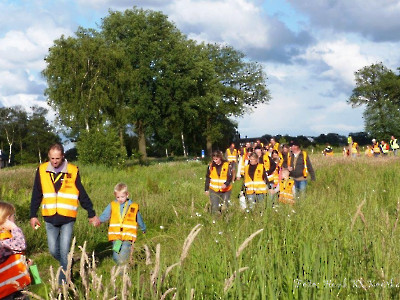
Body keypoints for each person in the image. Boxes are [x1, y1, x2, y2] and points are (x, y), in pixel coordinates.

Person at [30, 143, 100, 284]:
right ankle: (68, 263)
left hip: (68, 219)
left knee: (64, 250)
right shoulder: (42, 170)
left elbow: (82, 194)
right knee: (53, 251)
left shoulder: (73, 171)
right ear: (48, 157)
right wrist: (33, 215)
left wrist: (91, 213)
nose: (55, 161)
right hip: (49, 218)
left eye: (57, 158)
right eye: (52, 158)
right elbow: (36, 194)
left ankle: (64, 283)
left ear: (63, 156)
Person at [98, 183, 146, 265]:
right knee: (116, 256)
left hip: (128, 236)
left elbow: (139, 218)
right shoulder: (112, 205)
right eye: (118, 197)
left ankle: (123, 273)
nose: (120, 199)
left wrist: (143, 228)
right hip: (116, 237)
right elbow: (105, 215)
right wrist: (98, 220)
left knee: (123, 256)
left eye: (122, 197)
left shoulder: (133, 206)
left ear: (127, 194)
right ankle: (122, 270)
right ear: (115, 195)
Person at [0, 201, 31, 299]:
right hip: (7, 292)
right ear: (6, 218)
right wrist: (14, 227)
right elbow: (20, 244)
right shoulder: (2, 240)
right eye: (12, 216)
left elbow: (13, 254)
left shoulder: (7, 237)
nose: (14, 219)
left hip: (16, 287)